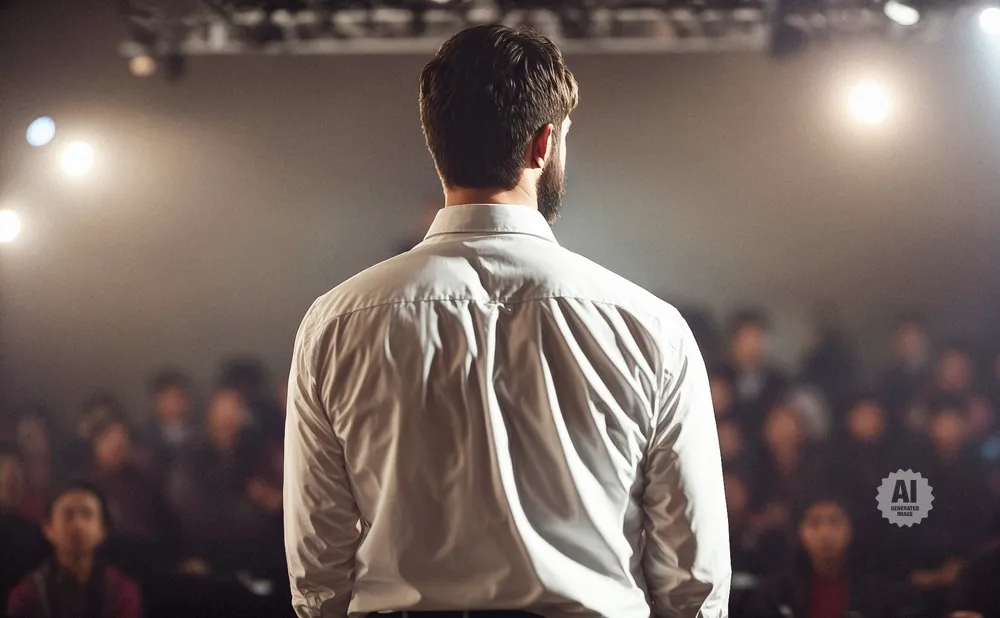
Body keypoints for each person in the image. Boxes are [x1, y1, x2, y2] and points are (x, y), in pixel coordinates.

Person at [284, 24, 730, 618]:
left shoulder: (335, 325)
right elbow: (693, 580)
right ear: (544, 144)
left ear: (436, 144)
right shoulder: (650, 328)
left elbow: (319, 567)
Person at [745, 496, 919, 618]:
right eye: (815, 523)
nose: (825, 533)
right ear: (800, 532)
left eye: (835, 522)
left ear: (851, 530)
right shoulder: (776, 592)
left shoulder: (878, 594)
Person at [6, 480, 142, 618]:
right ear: (48, 529)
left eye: (87, 514)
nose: (78, 525)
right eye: (68, 515)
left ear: (103, 530)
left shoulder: (121, 590)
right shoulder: (28, 594)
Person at [716, 309, 788, 438]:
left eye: (757, 339)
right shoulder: (716, 378)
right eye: (746, 339)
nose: (753, 347)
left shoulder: (778, 382)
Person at [142, 370, 194, 467]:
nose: (174, 404)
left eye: (179, 397)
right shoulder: (143, 437)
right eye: (168, 398)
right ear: (156, 402)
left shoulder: (200, 434)